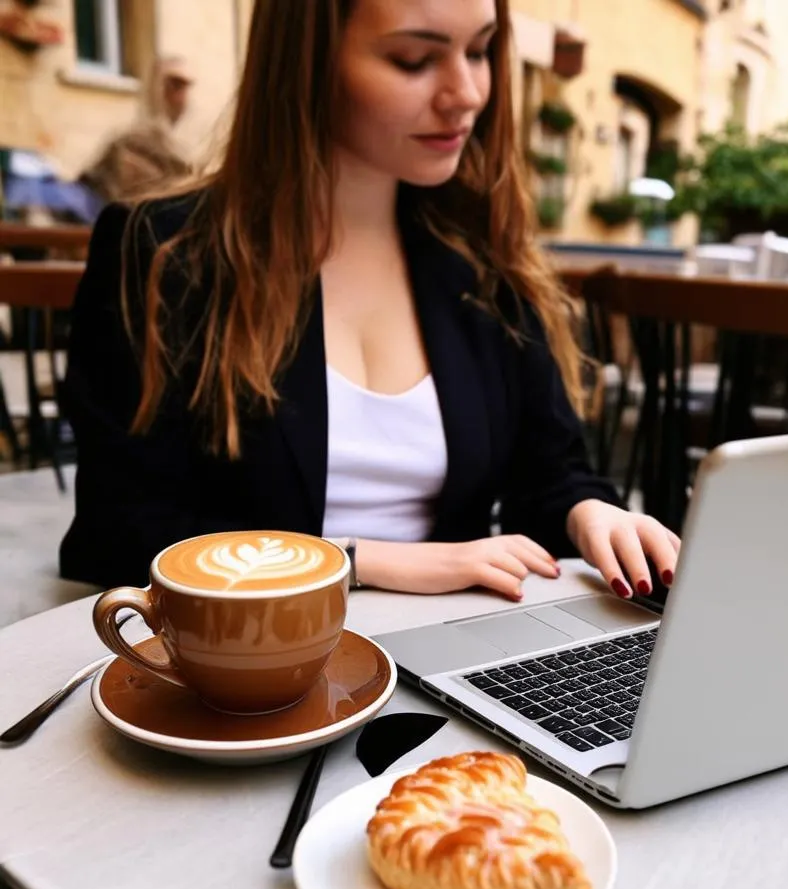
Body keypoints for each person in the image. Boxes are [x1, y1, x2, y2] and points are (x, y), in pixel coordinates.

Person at [60, 0, 679, 606]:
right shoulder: (165, 253)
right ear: (308, 62)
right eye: (414, 59)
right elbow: (117, 533)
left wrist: (591, 514)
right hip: (238, 670)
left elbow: (550, 474)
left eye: (480, 50)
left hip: (444, 654)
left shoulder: (485, 267)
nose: (465, 92)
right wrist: (358, 562)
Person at [77, 56, 193, 206]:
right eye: (174, 85)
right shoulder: (133, 144)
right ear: (155, 88)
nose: (181, 97)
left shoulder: (177, 151)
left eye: (182, 88)